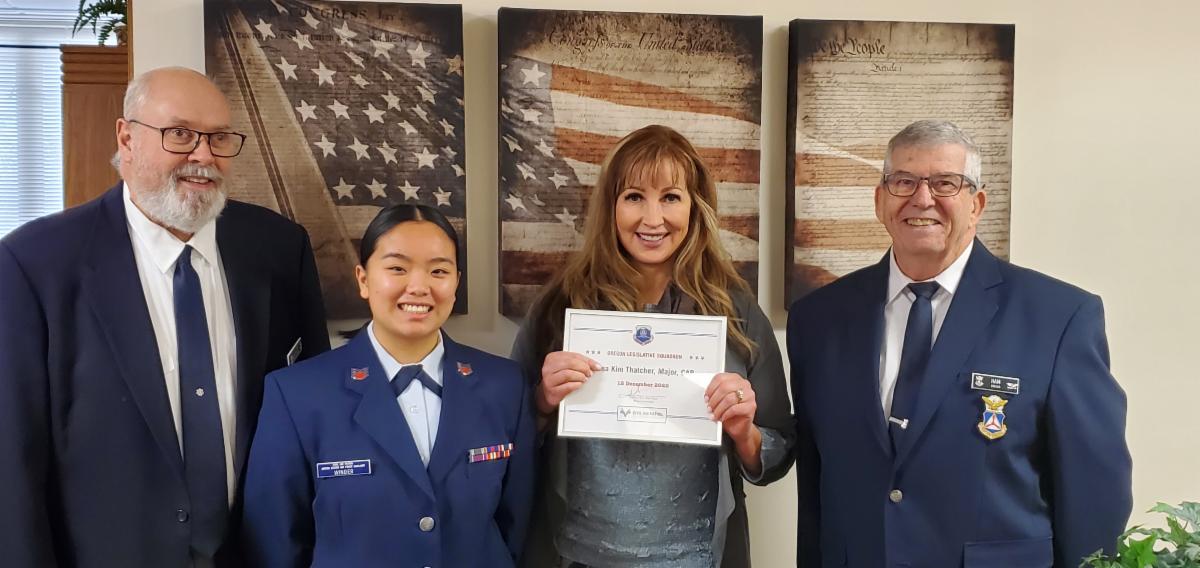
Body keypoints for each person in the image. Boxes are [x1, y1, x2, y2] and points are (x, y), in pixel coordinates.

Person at [0, 66, 329, 567]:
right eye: (180, 134)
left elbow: (315, 418)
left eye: (218, 138)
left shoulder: (280, 249)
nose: (203, 156)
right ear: (126, 138)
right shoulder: (35, 263)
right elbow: (14, 459)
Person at [788, 120, 1132, 567]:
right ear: (879, 201)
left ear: (976, 204)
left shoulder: (1059, 318)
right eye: (903, 181)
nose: (922, 198)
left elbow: (1094, 495)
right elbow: (816, 491)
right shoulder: (818, 319)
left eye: (945, 183)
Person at [512, 124, 794, 568]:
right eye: (634, 197)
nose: (652, 218)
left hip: (702, 558)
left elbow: (779, 454)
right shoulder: (560, 306)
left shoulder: (736, 311)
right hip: (579, 557)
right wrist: (543, 403)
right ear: (611, 206)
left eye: (670, 197)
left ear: (695, 207)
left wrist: (745, 432)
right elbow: (505, 441)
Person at [241, 204, 536, 567]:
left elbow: (514, 528)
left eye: (439, 271)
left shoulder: (504, 385)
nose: (419, 287)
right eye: (397, 268)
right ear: (363, 279)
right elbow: (275, 542)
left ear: (456, 282)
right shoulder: (297, 394)